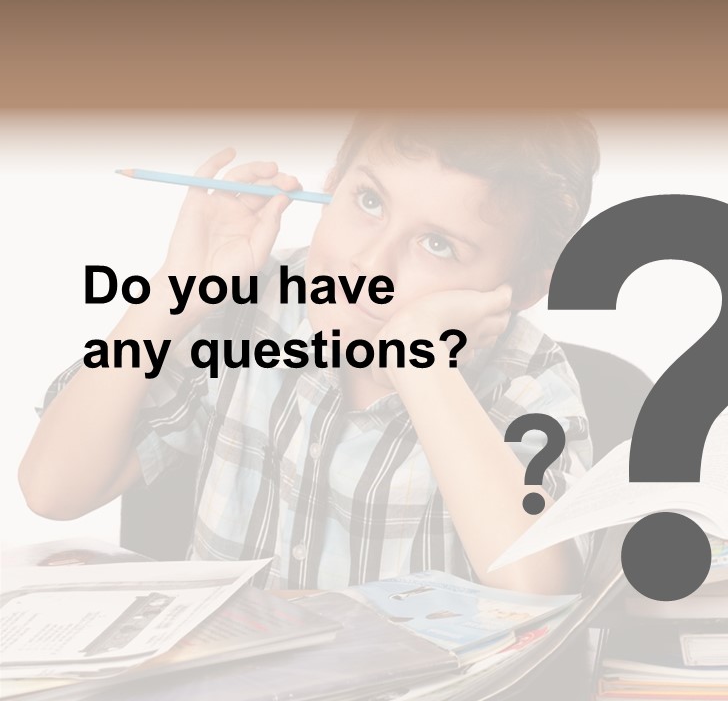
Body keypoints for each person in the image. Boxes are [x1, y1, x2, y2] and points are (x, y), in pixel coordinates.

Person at [19, 113, 600, 594]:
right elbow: (52, 488)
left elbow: (541, 597)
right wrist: (172, 296)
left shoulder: (527, 383)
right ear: (333, 182)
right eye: (369, 201)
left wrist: (419, 365)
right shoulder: (253, 305)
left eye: (438, 244)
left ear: (523, 287)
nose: (370, 264)